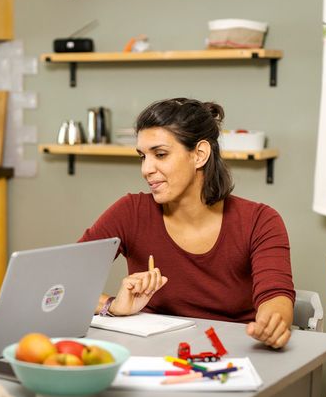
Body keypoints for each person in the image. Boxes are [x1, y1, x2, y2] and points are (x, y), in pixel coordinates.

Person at [80, 98, 295, 350]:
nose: (146, 169)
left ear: (199, 154)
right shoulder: (130, 212)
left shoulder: (260, 221)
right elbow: (65, 281)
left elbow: (275, 297)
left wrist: (273, 323)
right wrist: (111, 305)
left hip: (235, 354)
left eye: (160, 154)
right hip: (151, 356)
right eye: (142, 157)